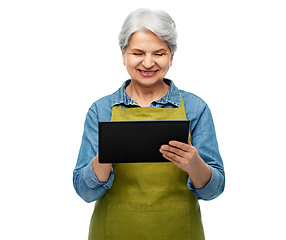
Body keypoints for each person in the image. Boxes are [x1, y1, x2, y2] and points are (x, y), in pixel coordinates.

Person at [73, 8, 225, 240]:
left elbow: (214, 191)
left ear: (171, 56)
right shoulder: (100, 111)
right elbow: (84, 193)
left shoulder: (196, 109)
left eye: (159, 53)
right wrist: (103, 158)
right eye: (137, 52)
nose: (148, 62)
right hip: (114, 232)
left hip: (179, 231)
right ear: (123, 53)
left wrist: (194, 164)